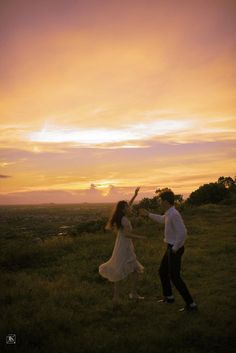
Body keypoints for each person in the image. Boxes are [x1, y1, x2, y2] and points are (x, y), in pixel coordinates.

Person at [139, 189, 197, 312]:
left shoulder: (174, 214)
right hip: (170, 247)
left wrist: (175, 248)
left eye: (161, 200)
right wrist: (148, 214)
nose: (160, 203)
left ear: (165, 201)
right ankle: (169, 297)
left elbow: (183, 232)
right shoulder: (169, 213)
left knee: (175, 277)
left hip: (174, 248)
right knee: (162, 272)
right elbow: (161, 219)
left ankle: (191, 304)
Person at [99, 187, 147, 304]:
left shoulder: (122, 217)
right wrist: (141, 237)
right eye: (126, 207)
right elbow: (126, 234)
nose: (129, 208)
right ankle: (121, 296)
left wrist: (135, 195)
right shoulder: (124, 220)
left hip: (124, 246)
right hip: (124, 247)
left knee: (128, 269)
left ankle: (130, 294)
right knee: (121, 270)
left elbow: (129, 205)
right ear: (123, 210)